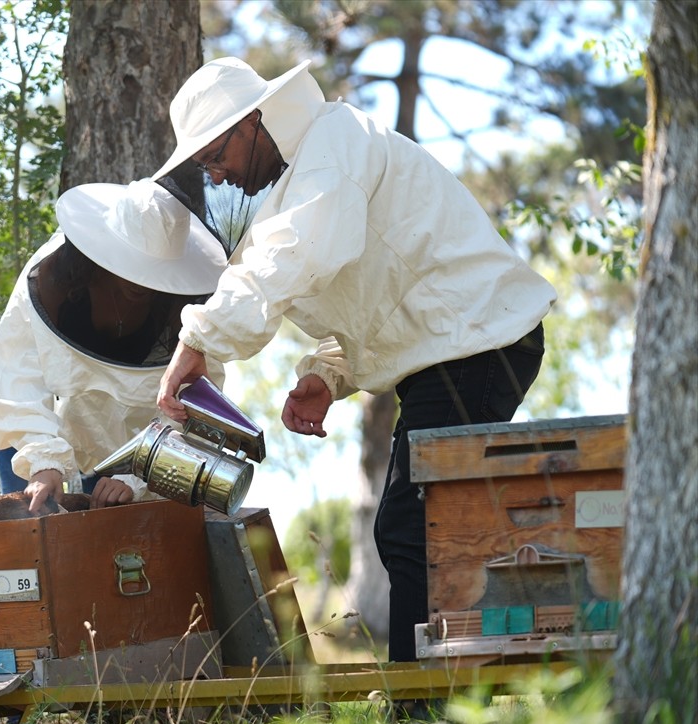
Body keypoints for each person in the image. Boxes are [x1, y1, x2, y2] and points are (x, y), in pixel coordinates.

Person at [152, 57, 557, 663]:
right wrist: (325, 375)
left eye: (217, 156)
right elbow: (375, 308)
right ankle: (453, 692)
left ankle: (424, 708)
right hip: (459, 348)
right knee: (435, 524)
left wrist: (199, 339)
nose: (219, 176)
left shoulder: (332, 144)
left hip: (476, 340)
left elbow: (303, 253)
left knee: (412, 525)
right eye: (206, 167)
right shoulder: (305, 185)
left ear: (254, 122)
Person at [0, 178, 228, 514]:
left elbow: (195, 407)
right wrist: (43, 460)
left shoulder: (188, 313)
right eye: (135, 264)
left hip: (132, 452)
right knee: (26, 538)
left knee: (129, 551)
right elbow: (15, 372)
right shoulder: (50, 279)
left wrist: (140, 473)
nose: (142, 281)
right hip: (37, 430)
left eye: (155, 270)